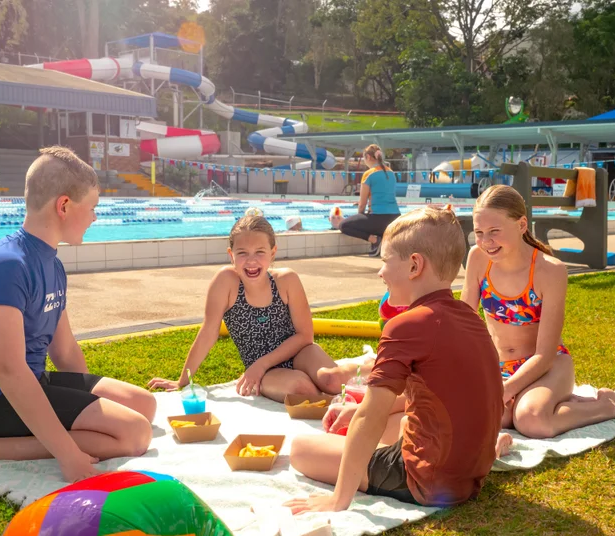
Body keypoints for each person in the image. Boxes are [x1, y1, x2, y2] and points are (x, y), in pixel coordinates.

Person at [0, 146, 156, 483]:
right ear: (64, 206)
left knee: (144, 405)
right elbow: (7, 370)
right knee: (134, 434)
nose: (95, 218)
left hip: (29, 381)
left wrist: (83, 407)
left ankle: (42, 434)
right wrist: (68, 452)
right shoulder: (7, 266)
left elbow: (64, 351)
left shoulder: (52, 265)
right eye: (92, 208)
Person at [284, 206, 509, 513]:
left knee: (301, 449)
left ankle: (360, 478)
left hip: (428, 480)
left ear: (414, 265)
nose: (380, 272)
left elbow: (370, 417)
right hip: (471, 472)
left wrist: (339, 499)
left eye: (385, 261)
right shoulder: (470, 318)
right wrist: (356, 411)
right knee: (402, 422)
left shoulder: (405, 326)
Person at [461, 185, 615, 439]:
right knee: (499, 417)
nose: (486, 242)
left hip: (547, 366)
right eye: (479, 233)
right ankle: (560, 402)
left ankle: (609, 405)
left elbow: (545, 354)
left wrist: (507, 389)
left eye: (494, 231)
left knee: (531, 421)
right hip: (500, 366)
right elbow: (464, 325)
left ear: (521, 224)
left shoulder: (550, 270)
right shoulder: (478, 258)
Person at [148, 215, 372, 402]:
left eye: (260, 252)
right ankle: (342, 404)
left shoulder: (286, 281)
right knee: (302, 390)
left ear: (272, 253)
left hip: (299, 353)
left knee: (331, 380)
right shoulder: (225, 283)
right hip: (266, 371)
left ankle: (369, 368)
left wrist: (260, 365)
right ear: (231, 255)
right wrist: (182, 381)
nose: (251, 261)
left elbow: (305, 336)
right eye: (242, 253)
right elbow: (208, 332)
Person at [339, 144, 401, 257]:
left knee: (343, 225)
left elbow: (362, 204)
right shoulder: (391, 173)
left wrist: (360, 217)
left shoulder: (369, 174)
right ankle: (381, 238)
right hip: (395, 218)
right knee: (372, 221)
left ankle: (375, 240)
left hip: (379, 219)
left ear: (368, 157)